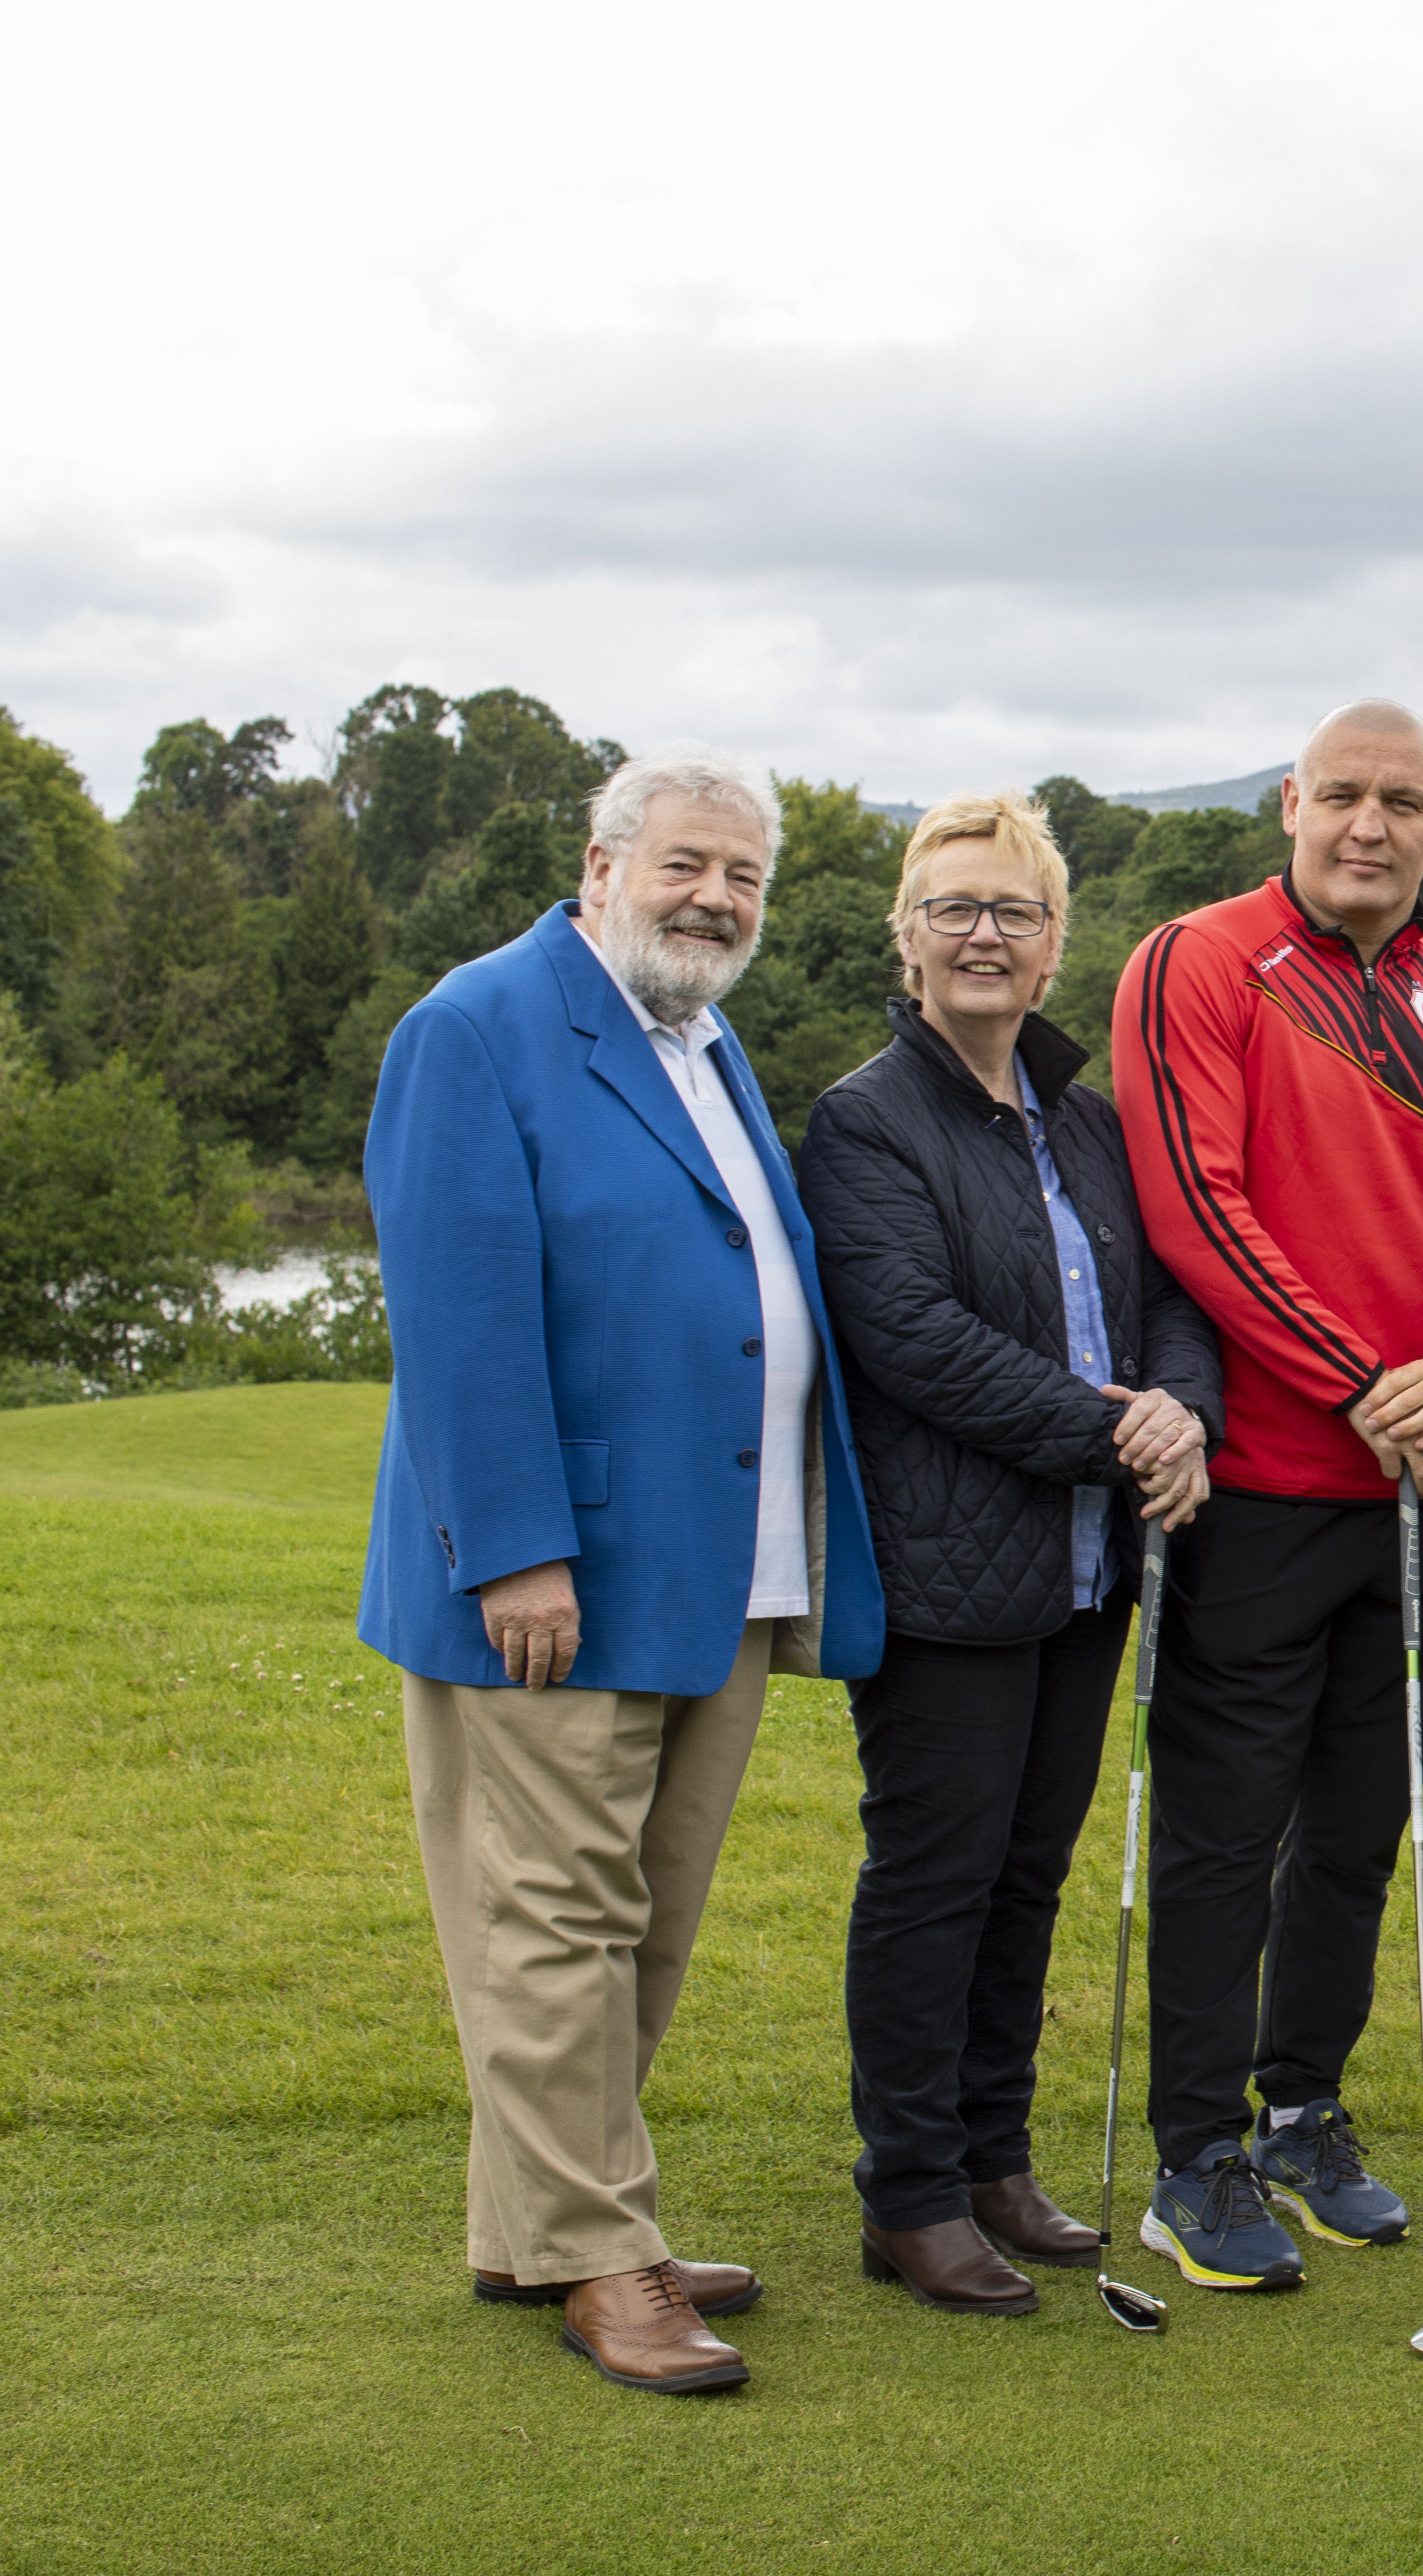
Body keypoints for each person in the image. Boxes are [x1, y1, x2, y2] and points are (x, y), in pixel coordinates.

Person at [359, 747, 885, 2395]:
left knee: (634, 1924)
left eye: (742, 878)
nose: (715, 899)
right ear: (600, 863)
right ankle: (601, 2256)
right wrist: (513, 1551)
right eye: (685, 867)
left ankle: (541, 2226)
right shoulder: (478, 1028)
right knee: (555, 1921)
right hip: (556, 1577)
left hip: (712, 1570)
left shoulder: (699, 1032)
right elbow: (457, 1320)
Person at [1108, 699, 1423, 2289]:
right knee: (1226, 1837)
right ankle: (1193, 2153)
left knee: (1360, 1835)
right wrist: (1367, 1374)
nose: (1368, 824)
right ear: (1291, 802)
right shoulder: (1199, 960)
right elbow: (1194, 1206)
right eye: (1342, 795)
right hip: (1262, 1490)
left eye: (1403, 801)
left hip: (1422, 1495)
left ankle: (1303, 2111)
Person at [796, 790, 1224, 2317]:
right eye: (954, 908)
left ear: (1054, 950)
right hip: (947, 1574)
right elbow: (912, 1339)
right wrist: (1118, 1434)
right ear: (906, 941)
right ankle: (906, 2192)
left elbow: (1173, 1295)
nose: (985, 934)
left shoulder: (1086, 1118)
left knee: (1026, 1874)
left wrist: (1183, 1407)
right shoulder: (863, 1123)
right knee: (936, 1876)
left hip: (1082, 1572)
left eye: (1015, 912)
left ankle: (991, 2158)